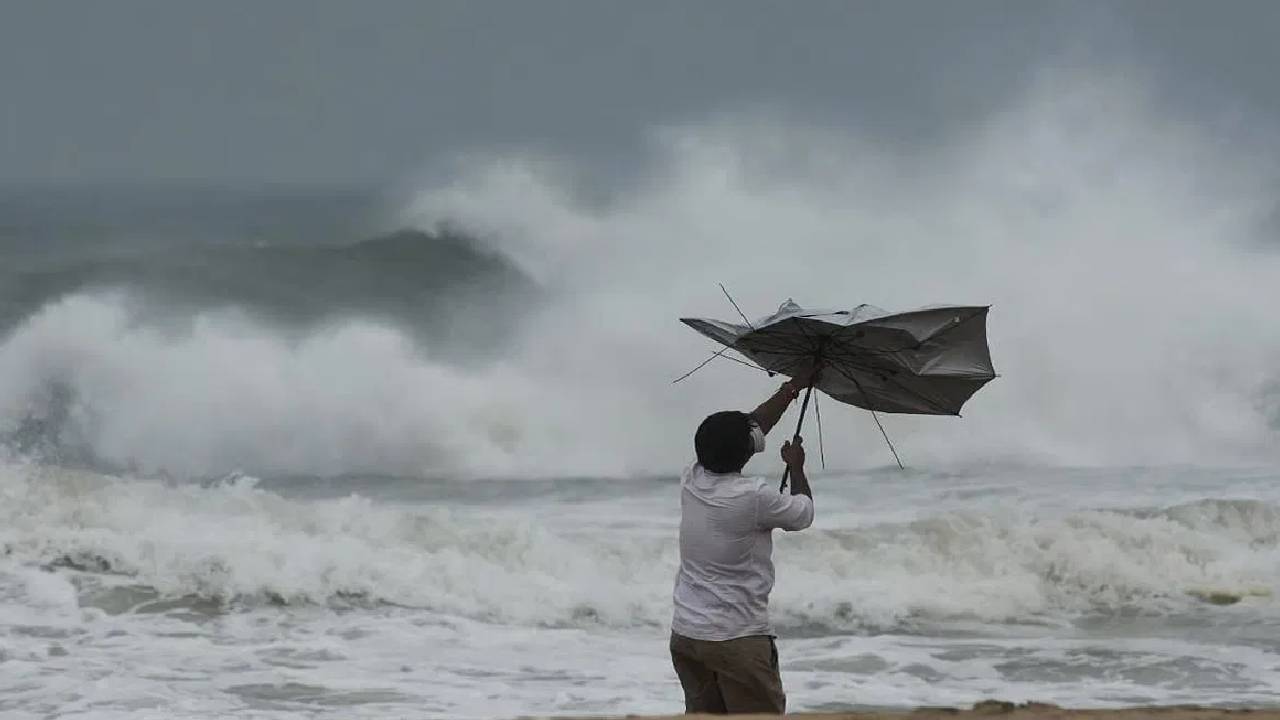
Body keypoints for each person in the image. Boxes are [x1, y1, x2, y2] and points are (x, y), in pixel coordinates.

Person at [670, 372, 816, 715]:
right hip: (736, 638)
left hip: (688, 635)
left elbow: (754, 426)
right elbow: (804, 514)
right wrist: (796, 467)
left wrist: (792, 388)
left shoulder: (692, 476)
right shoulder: (753, 496)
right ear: (748, 450)